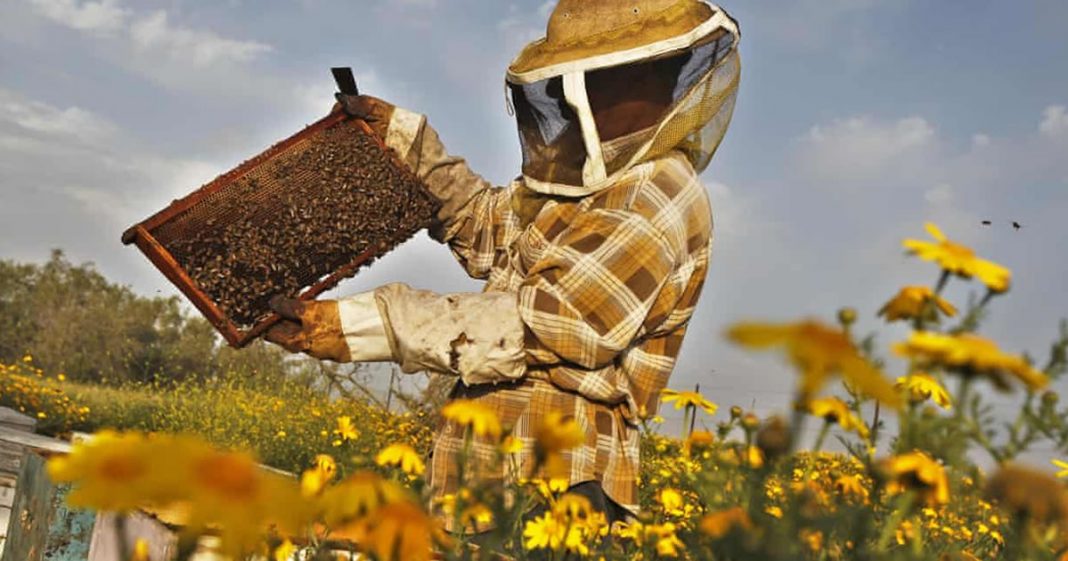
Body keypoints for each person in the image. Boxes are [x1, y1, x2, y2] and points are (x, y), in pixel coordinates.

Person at [265, 0, 741, 533]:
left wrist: (356, 326)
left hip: (558, 486)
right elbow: (486, 228)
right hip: (490, 478)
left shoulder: (655, 195)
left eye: (580, 80)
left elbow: (547, 324)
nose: (562, 99)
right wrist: (404, 142)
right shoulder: (582, 184)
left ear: (650, 76)